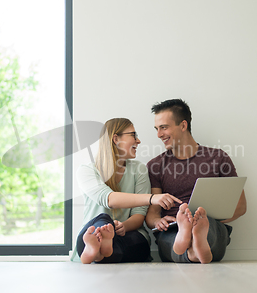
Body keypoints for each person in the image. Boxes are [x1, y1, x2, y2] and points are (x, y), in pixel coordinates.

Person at [145, 99, 247, 263]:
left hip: (210, 225)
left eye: (164, 127)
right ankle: (193, 247)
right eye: (157, 129)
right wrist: (158, 221)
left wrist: (200, 220)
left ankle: (194, 243)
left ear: (183, 125)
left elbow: (241, 206)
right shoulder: (155, 165)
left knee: (208, 228)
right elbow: (152, 215)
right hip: (173, 229)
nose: (159, 134)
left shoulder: (218, 158)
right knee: (173, 236)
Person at [72, 118, 182, 264]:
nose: (138, 141)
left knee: (135, 241)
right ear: (116, 139)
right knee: (104, 221)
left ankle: (99, 253)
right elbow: (108, 199)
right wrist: (151, 198)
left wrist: (124, 226)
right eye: (133, 135)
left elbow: (139, 214)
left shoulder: (139, 169)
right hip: (91, 232)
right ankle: (99, 244)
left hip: (128, 235)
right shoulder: (87, 170)